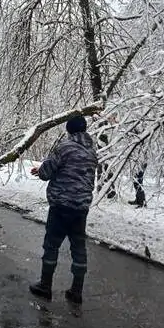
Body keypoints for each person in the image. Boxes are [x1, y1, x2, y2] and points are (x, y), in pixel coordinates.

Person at [29, 115, 98, 305]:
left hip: (61, 205)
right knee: (78, 248)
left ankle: (45, 286)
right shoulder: (92, 151)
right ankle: (76, 291)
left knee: (51, 245)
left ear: (69, 130)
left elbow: (46, 173)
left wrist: (40, 170)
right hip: (81, 208)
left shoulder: (64, 148)